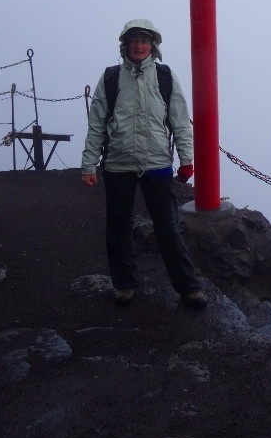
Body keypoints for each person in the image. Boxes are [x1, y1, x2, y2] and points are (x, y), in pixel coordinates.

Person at [81, 18, 207, 310]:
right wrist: (89, 165)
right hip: (117, 164)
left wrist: (187, 160)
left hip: (158, 164)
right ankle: (124, 285)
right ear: (124, 45)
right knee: (118, 227)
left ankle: (189, 288)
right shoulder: (111, 78)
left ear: (153, 46)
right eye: (134, 41)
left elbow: (180, 121)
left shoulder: (164, 76)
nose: (139, 46)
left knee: (168, 227)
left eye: (145, 41)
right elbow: (97, 122)